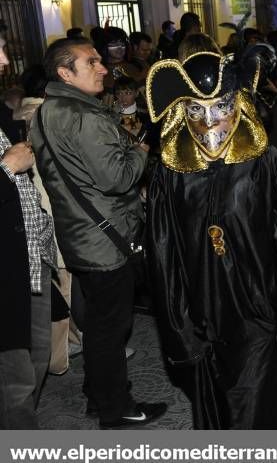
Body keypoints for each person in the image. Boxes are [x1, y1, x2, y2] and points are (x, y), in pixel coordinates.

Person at [145, 42, 277, 429]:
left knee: (259, 408)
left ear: (238, 105)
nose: (210, 122)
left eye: (220, 107)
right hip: (204, 319)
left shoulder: (265, 163)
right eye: (196, 110)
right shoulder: (170, 174)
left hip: (261, 313)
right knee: (218, 410)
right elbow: (162, 255)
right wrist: (180, 330)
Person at [29, 37, 167, 428]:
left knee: (98, 325)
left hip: (79, 234)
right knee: (111, 327)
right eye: (92, 63)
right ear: (65, 73)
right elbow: (118, 177)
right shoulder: (85, 116)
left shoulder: (44, 112)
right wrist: (140, 148)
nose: (104, 68)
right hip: (106, 239)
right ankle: (116, 407)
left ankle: (98, 395)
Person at [0, 46, 56, 429]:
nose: (5, 60)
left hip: (29, 259)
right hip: (5, 272)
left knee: (37, 360)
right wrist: (6, 169)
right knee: (15, 383)